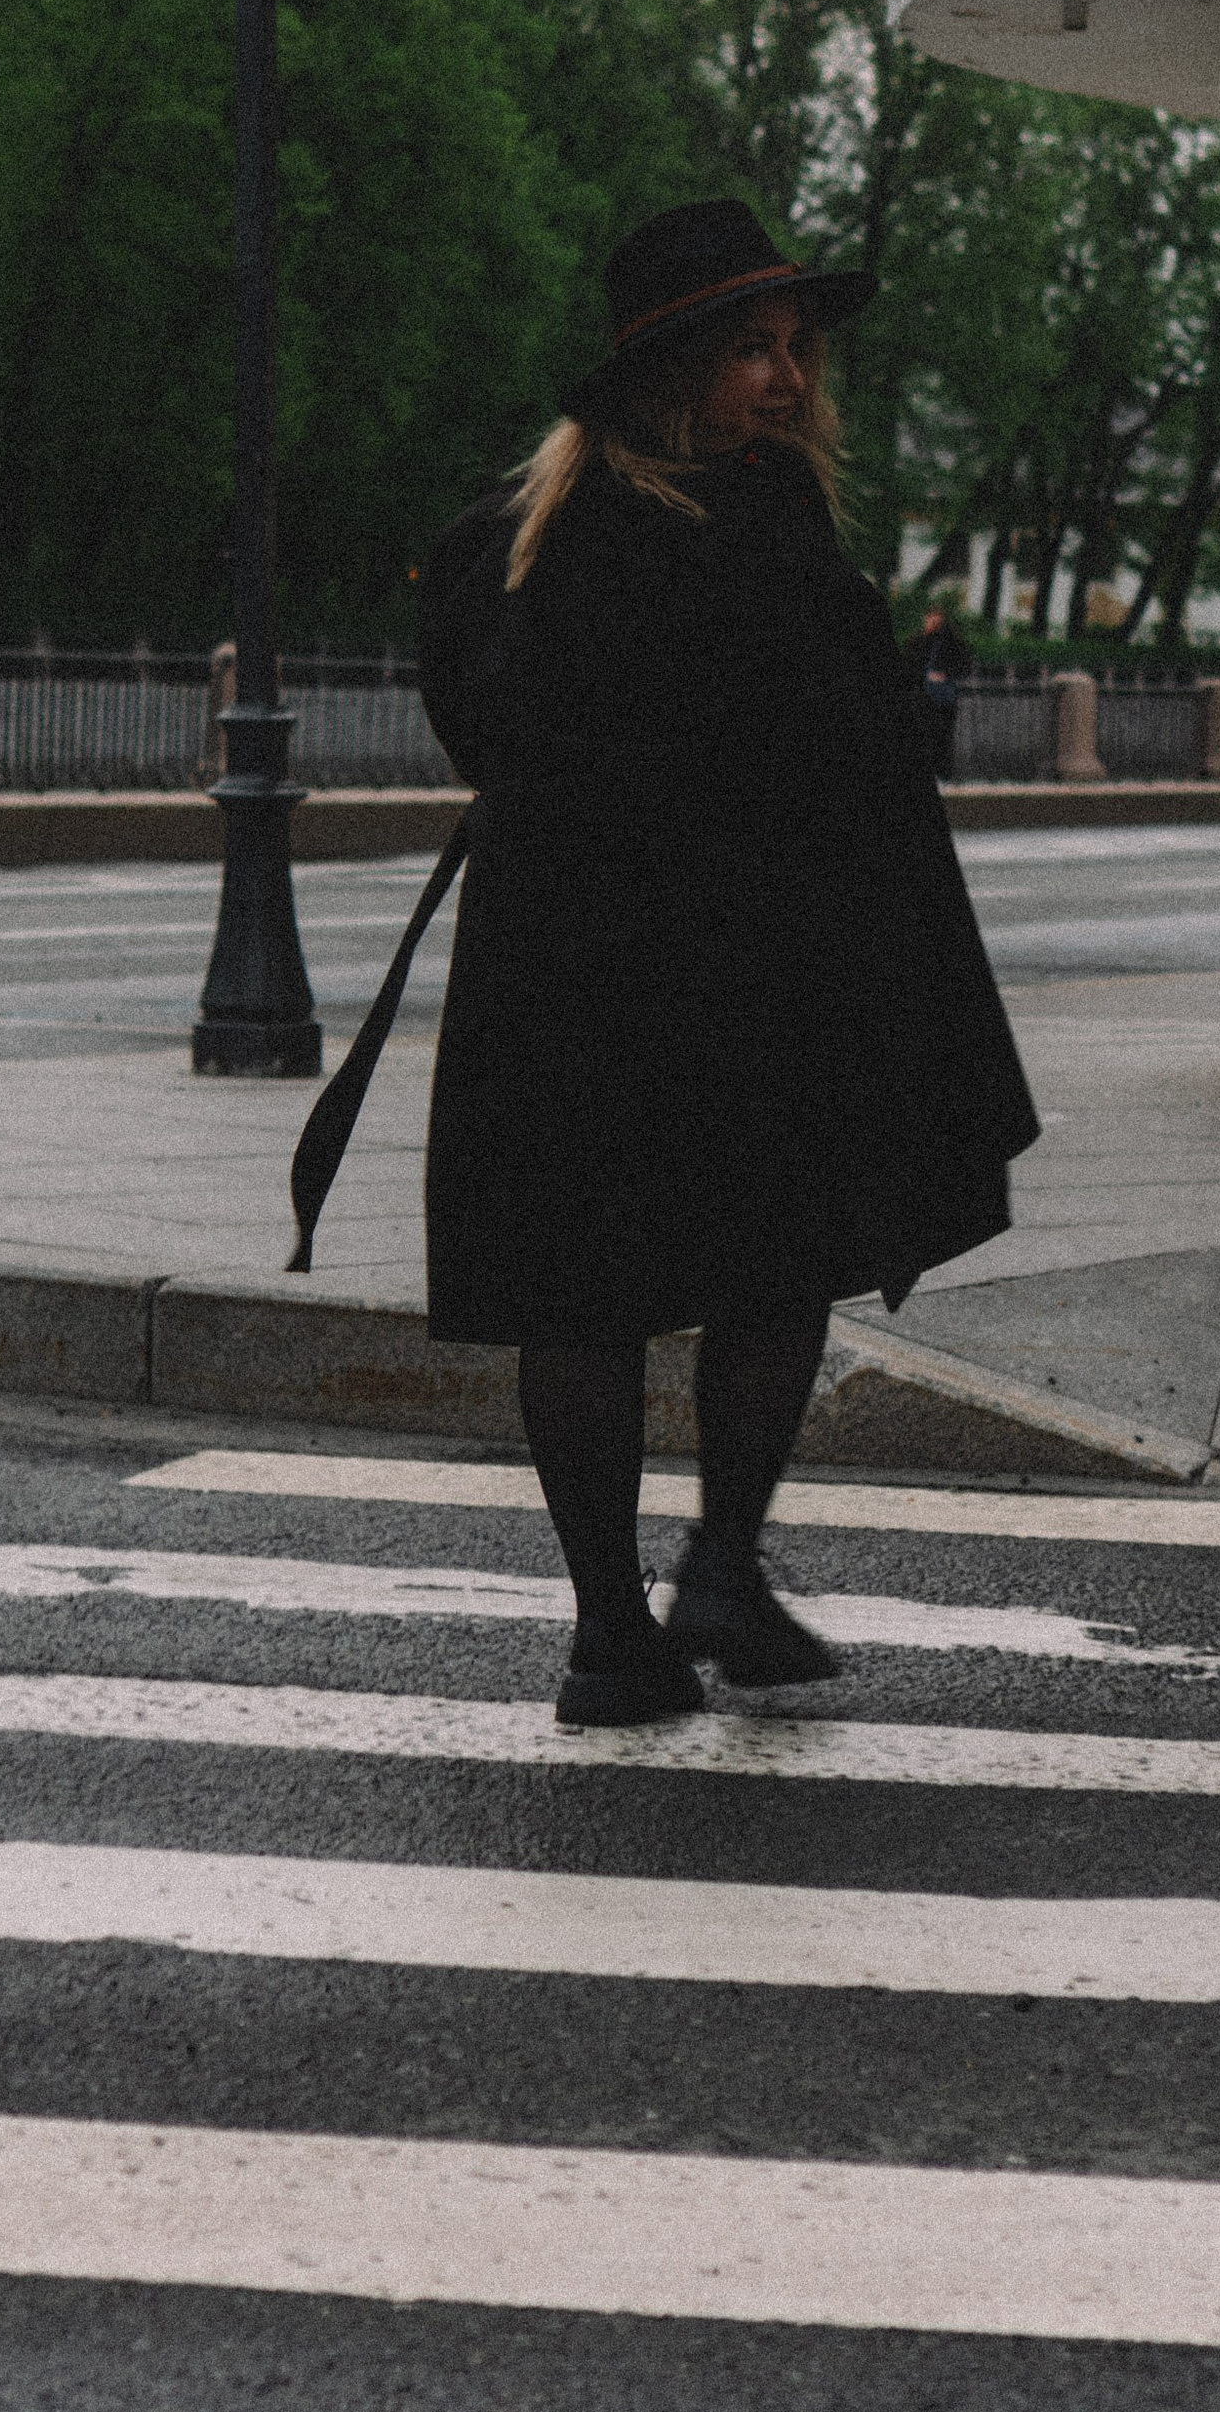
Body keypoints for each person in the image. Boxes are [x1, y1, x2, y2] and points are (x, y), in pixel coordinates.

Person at [415, 198, 1040, 1728]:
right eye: (751, 350)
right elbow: (836, 763)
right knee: (766, 1270)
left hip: (564, 988)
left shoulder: (518, 543)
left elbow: (492, 733)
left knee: (590, 1294)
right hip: (730, 985)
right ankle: (710, 1574)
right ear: (668, 371)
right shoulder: (751, 538)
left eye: (795, 350)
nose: (786, 379)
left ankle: (620, 1631)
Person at [914, 602, 973, 781]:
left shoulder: (950, 642)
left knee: (941, 736)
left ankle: (942, 773)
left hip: (940, 698)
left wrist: (945, 673)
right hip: (924, 695)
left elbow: (964, 663)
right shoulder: (917, 641)